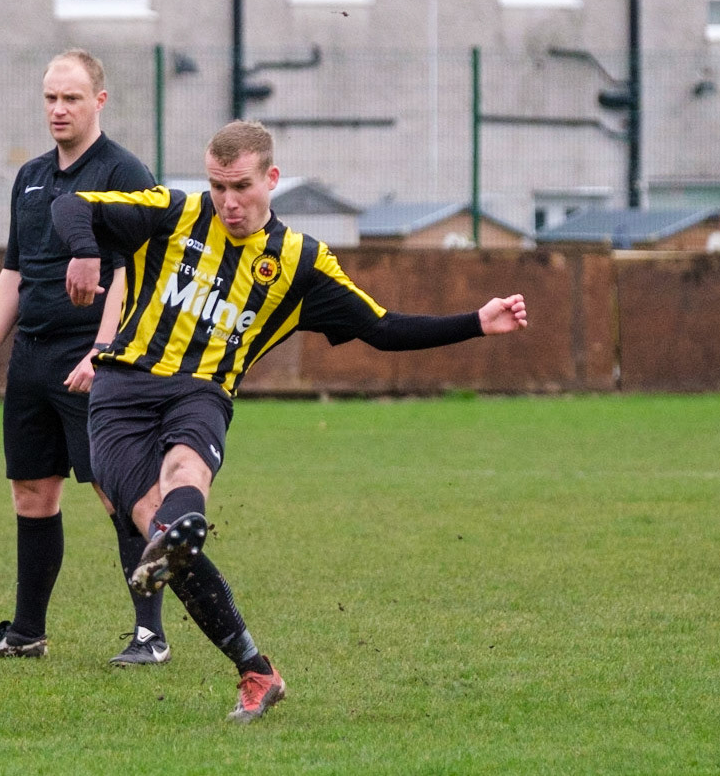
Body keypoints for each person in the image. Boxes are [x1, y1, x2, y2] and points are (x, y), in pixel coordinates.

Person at [53, 119, 529, 721]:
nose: (228, 201)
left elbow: (380, 328)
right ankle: (256, 668)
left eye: (242, 187)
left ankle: (178, 542)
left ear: (271, 179)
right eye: (218, 186)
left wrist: (475, 322)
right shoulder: (169, 212)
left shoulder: (300, 261)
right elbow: (71, 205)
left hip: (201, 392)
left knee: (183, 474)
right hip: (120, 392)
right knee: (154, 523)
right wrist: (85, 251)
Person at [0, 49, 171, 666]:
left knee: (117, 492)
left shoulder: (125, 172)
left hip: (95, 359)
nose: (57, 108)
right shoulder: (29, 177)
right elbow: (13, 274)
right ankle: (26, 634)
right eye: (50, 97)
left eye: (70, 98)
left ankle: (150, 636)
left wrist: (104, 351)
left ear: (98, 101)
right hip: (35, 358)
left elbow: (134, 274)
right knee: (32, 492)